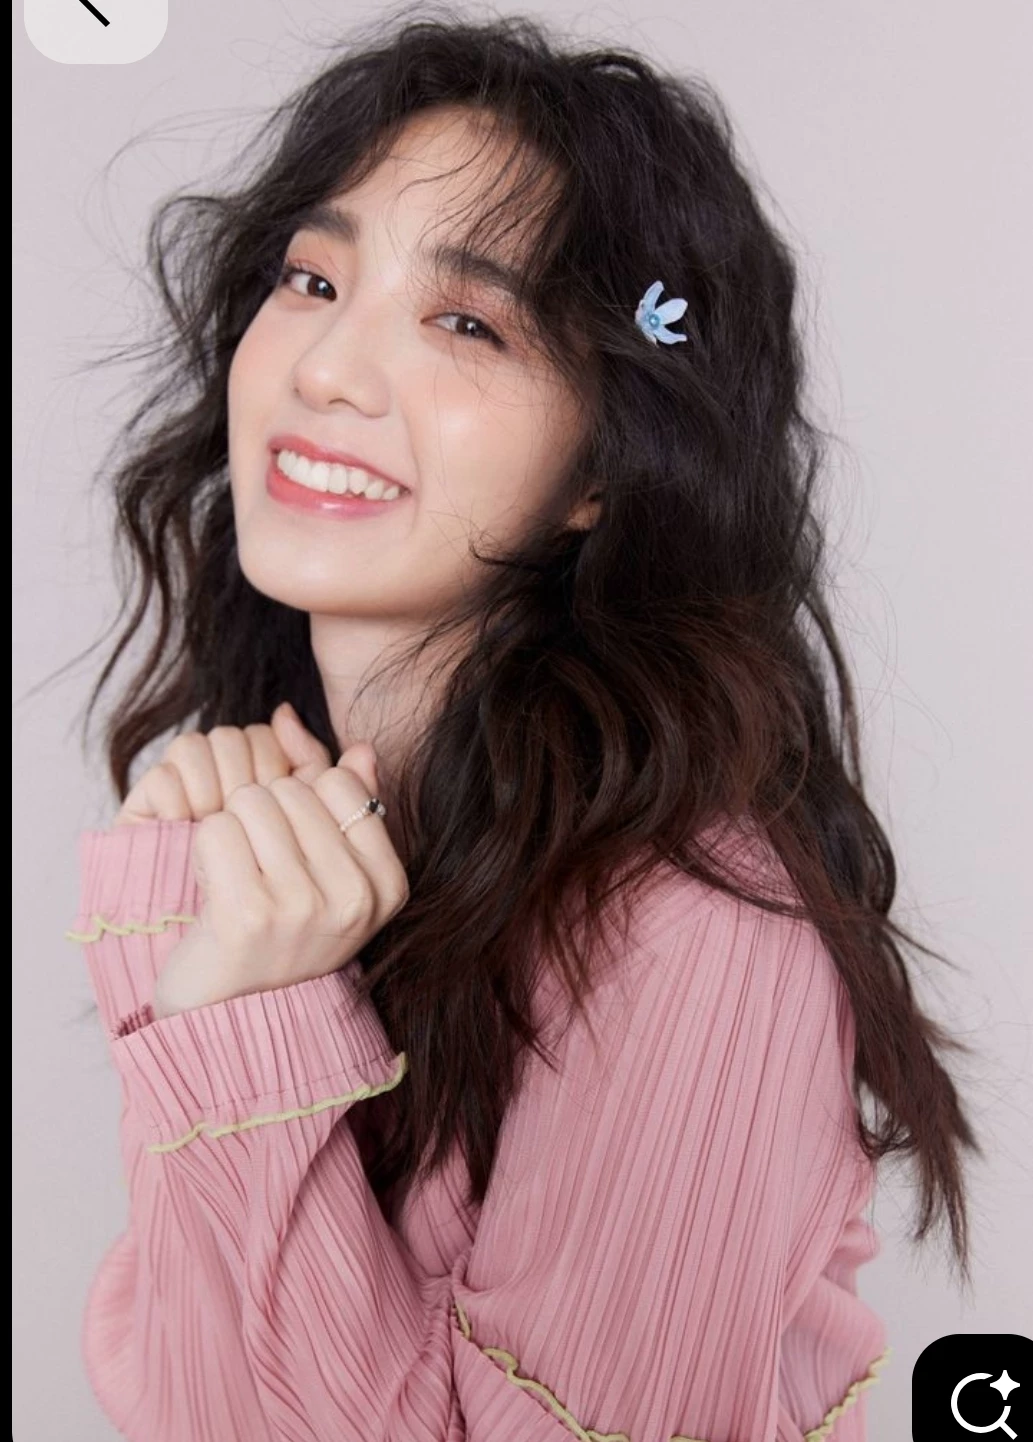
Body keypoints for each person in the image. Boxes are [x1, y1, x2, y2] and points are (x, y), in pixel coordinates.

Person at [65, 11, 981, 1440]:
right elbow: (190, 1403)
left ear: (601, 469)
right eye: (313, 278)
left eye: (467, 322)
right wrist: (206, 959)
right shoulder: (290, 862)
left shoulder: (690, 932)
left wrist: (249, 1015)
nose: (326, 368)